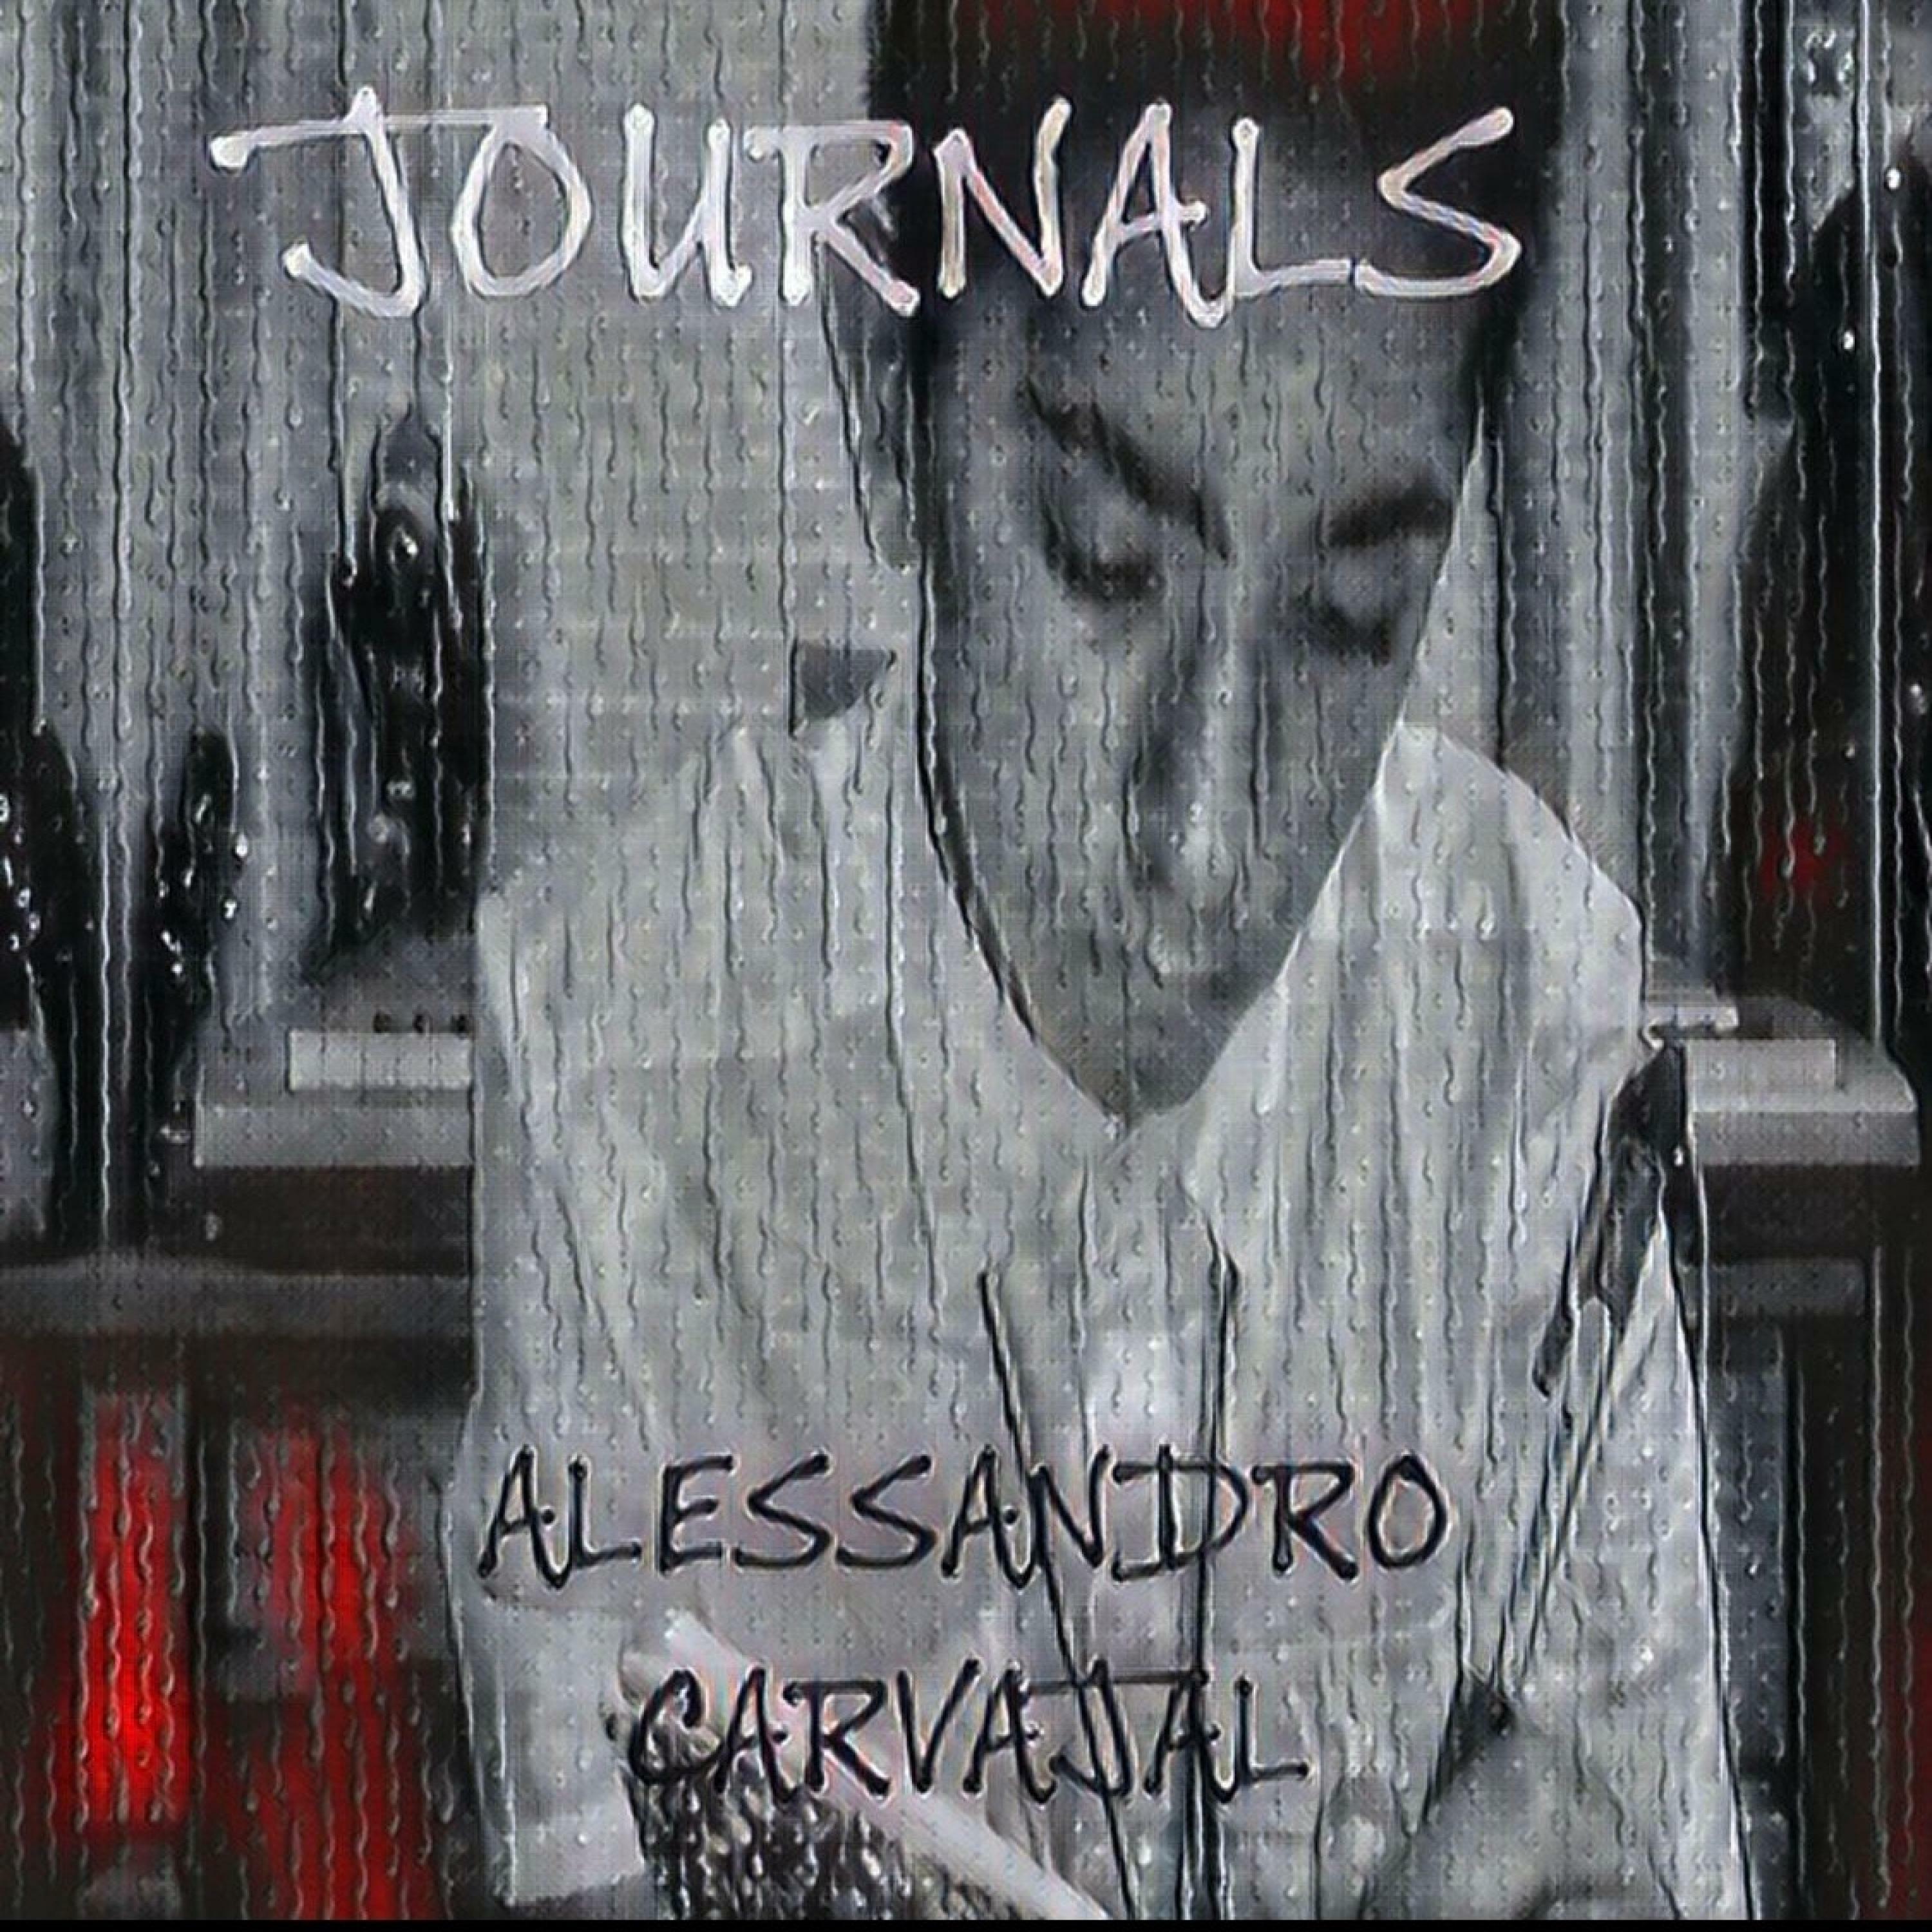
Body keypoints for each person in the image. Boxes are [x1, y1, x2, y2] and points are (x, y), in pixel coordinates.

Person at [448, 1, 1750, 1915]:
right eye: (1102, 557)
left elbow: (1634, 1838)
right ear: (882, 381)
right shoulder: (615, 1042)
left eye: (1354, 616)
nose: (1206, 841)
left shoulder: (1534, 1025)